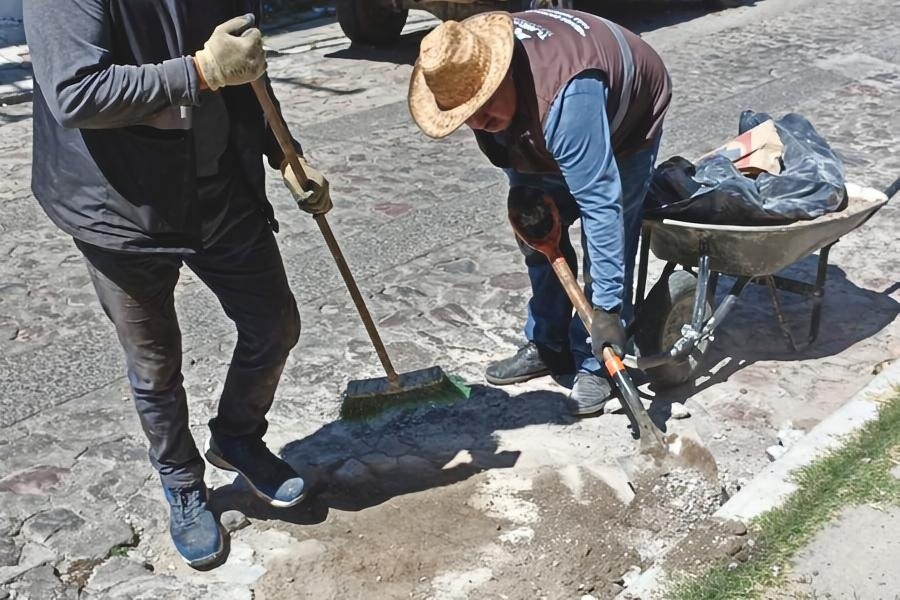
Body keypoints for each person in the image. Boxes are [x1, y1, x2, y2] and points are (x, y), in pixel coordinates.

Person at [23, 0, 330, 568]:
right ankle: (182, 481)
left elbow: (245, 62)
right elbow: (74, 93)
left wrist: (284, 152)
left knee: (275, 324)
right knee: (155, 365)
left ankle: (237, 436)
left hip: (221, 188)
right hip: (119, 208)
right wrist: (200, 72)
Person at [408, 8, 671, 416]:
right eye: (466, 115)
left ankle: (597, 359)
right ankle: (549, 343)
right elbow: (518, 164)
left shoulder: (567, 101)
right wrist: (532, 210)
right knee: (537, 226)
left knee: (612, 232)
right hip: (544, 109)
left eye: (484, 106)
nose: (478, 122)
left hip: (630, 116)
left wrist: (606, 309)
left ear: (505, 73)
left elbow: (601, 206)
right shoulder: (475, 72)